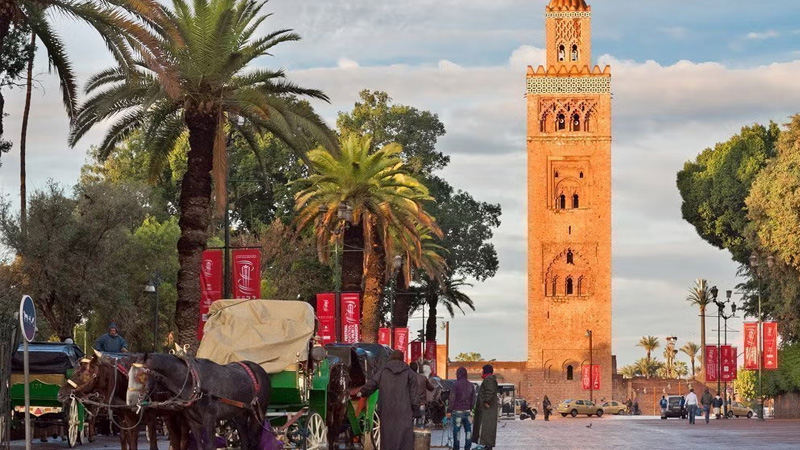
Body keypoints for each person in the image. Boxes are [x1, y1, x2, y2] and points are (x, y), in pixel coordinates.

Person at [357, 350, 420, 450]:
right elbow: (414, 394)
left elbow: (372, 383)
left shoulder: (383, 371)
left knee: (387, 438)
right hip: (404, 411)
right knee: (404, 439)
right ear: (402, 358)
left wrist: (363, 391)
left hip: (387, 410)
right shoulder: (409, 373)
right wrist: (416, 409)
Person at [449, 367, 476, 450]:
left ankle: (456, 447)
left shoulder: (455, 384)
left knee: (456, 431)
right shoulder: (471, 385)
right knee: (468, 431)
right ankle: (467, 447)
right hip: (468, 411)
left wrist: (449, 410)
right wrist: (470, 408)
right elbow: (474, 399)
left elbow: (452, 398)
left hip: (457, 411)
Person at [472, 365, 498, 450]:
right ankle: (486, 444)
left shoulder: (489, 380)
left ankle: (487, 445)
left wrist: (486, 401)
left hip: (487, 409)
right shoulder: (489, 379)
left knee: (486, 427)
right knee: (487, 427)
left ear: (485, 371)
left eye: (482, 371)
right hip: (487, 409)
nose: (481, 372)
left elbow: (489, 391)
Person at [410, 361, 434, 427]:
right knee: (420, 421)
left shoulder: (407, 378)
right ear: (417, 368)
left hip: (410, 403)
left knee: (409, 421)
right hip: (421, 402)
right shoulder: (423, 378)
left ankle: (410, 435)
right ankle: (420, 435)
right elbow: (431, 388)